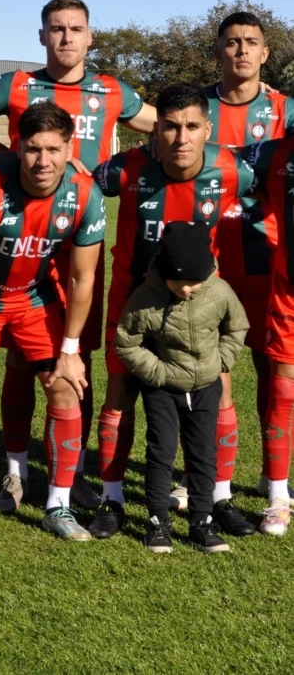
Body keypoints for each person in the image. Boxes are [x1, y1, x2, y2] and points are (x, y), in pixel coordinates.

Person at [0, 0, 156, 512]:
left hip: (77, 244)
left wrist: (231, 102)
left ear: (91, 37)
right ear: (42, 35)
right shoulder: (17, 86)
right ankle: (16, 474)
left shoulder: (112, 90)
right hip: (20, 238)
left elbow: (174, 124)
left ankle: (73, 475)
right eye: (57, 29)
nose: (67, 37)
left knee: (73, 363)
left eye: (76, 29)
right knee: (22, 366)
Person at [89, 83, 258, 539]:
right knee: (120, 396)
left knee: (219, 393)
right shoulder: (126, 168)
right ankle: (113, 497)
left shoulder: (233, 169)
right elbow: (70, 180)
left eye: (191, 126)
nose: (181, 137)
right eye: (169, 126)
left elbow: (275, 195)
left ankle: (218, 496)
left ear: (207, 129)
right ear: (154, 130)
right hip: (133, 300)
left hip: (200, 305)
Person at [0, 102, 105, 546]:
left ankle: (58, 504)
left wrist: (70, 351)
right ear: (17, 146)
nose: (43, 161)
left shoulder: (85, 193)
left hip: (35, 298)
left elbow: (81, 276)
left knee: (66, 385)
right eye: (33, 149)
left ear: (69, 148)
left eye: (54, 149)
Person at [169, 11, 294, 514]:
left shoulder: (286, 110)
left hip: (268, 257)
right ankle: (203, 478)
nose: (241, 50)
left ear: (266, 53)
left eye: (251, 43)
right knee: (203, 372)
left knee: (274, 373)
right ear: (217, 51)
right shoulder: (197, 110)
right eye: (232, 42)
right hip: (210, 261)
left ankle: (273, 486)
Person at [115, 222, 248, 553]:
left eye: (194, 281)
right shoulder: (146, 296)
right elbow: (126, 342)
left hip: (206, 387)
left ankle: (202, 522)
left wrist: (220, 363)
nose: (187, 289)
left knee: (203, 454)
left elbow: (237, 327)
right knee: (161, 452)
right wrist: (158, 373)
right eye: (179, 281)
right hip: (162, 389)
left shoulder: (219, 291)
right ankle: (158, 523)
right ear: (164, 271)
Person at [241, 135, 294, 534]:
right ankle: (277, 494)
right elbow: (218, 160)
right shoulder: (272, 152)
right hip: (289, 291)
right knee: (284, 388)